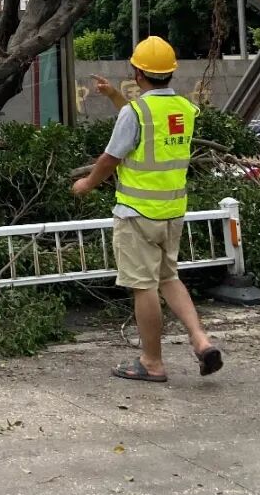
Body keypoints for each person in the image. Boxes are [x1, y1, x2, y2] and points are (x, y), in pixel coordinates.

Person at [71, 36, 223, 385]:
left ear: (137, 73)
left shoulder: (135, 112)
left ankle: (152, 362)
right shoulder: (184, 109)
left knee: (144, 287)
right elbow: (147, 124)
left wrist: (87, 184)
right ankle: (201, 340)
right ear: (171, 72)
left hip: (137, 213)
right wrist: (114, 96)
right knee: (169, 278)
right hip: (172, 211)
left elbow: (111, 157)